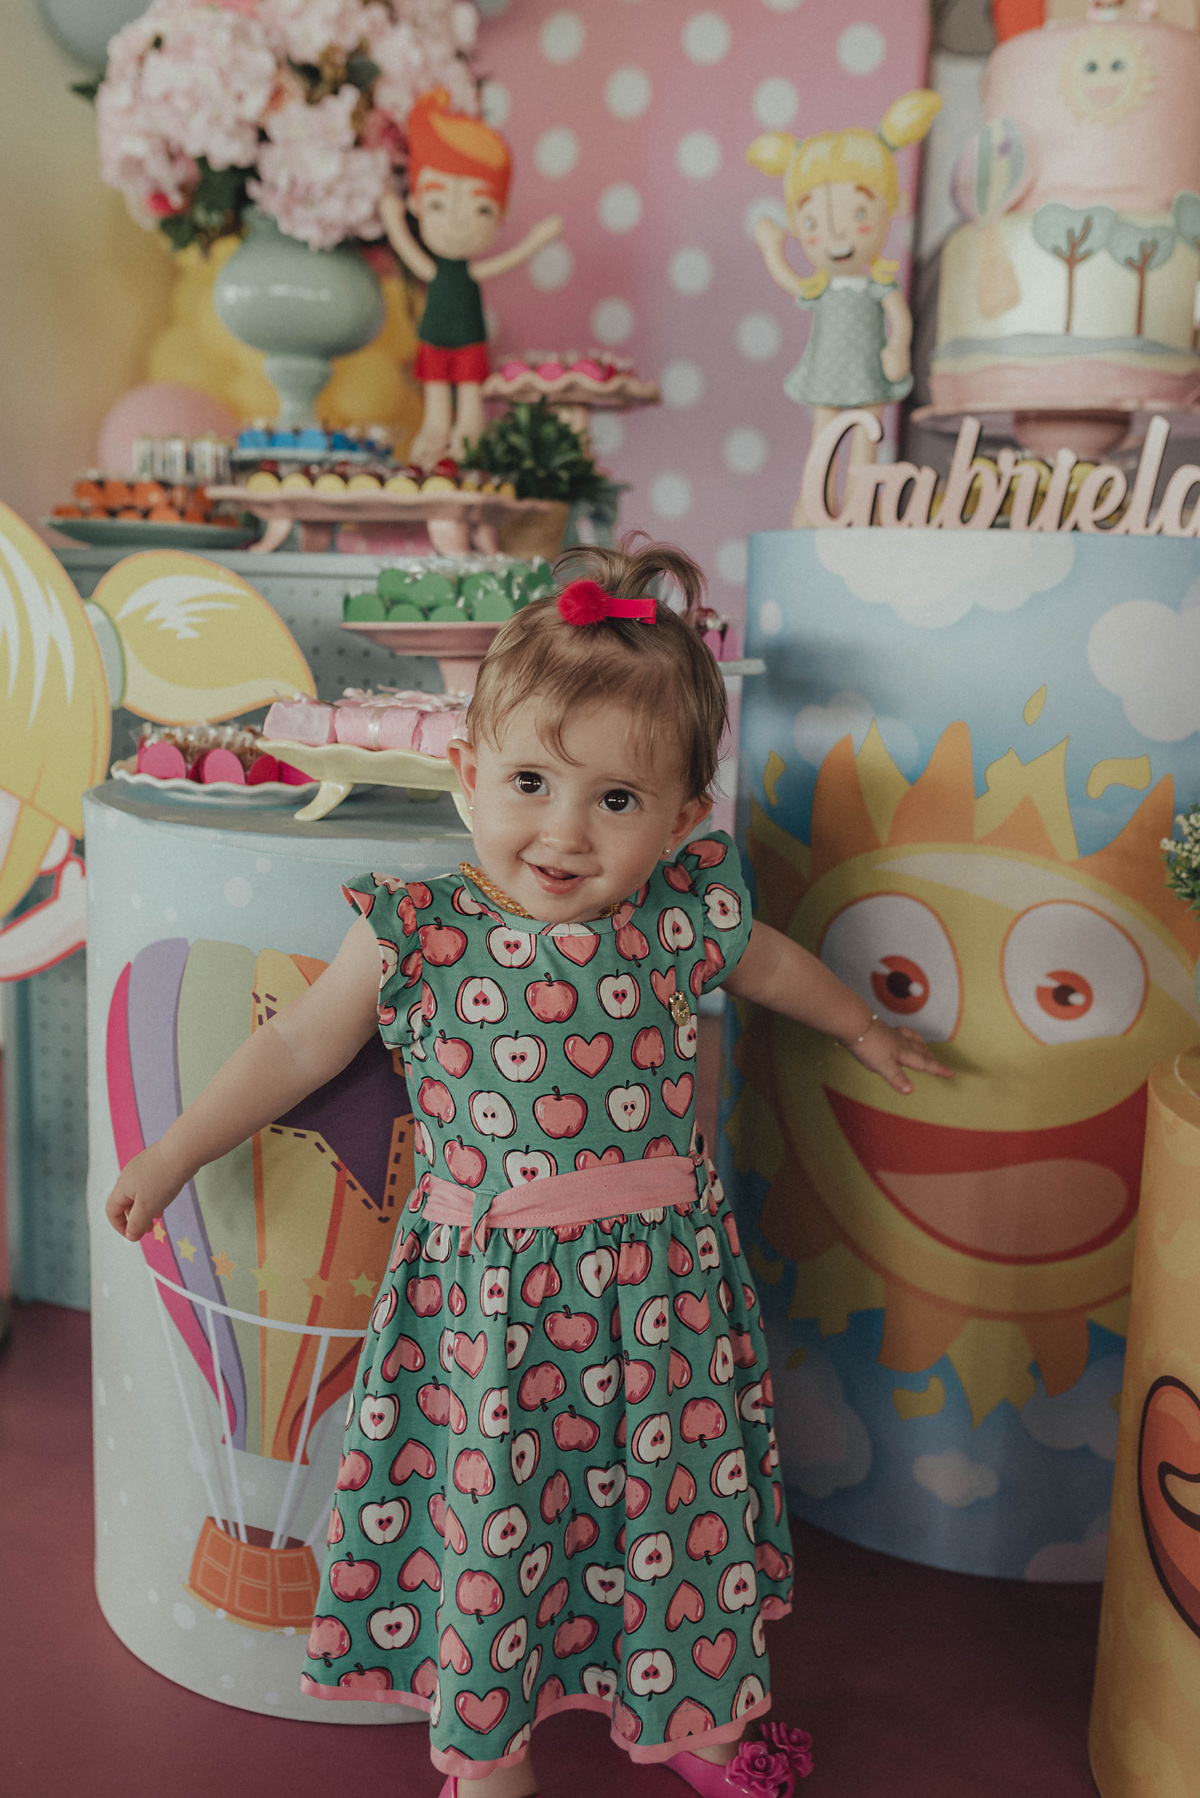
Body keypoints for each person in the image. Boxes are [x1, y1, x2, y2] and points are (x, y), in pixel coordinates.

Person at [105, 539, 950, 1798]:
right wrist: (176, 1148)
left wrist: (864, 1026)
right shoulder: (422, 931)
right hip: (491, 1305)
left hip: (661, 1296)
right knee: (499, 1518)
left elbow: (773, 965)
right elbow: (292, 1043)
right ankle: (490, 1750)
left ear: (682, 819)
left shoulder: (680, 915)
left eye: (616, 800)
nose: (562, 831)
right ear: (468, 777)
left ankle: (696, 1715)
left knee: (674, 1507)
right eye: (531, 781)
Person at [746, 91, 941, 526]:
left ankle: (858, 502)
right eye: (813, 223)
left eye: (858, 214)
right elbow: (794, 282)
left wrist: (898, 345)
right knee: (824, 433)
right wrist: (771, 247)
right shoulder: (824, 286)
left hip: (868, 370)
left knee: (867, 433)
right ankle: (815, 502)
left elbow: (899, 317)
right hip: (828, 368)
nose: (837, 237)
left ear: (890, 206)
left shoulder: (878, 283)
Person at [380, 88, 562, 467]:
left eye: (480, 208)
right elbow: (409, 251)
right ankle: (435, 435)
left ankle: (468, 436)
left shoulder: (465, 272)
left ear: (502, 213)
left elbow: (503, 262)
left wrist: (535, 242)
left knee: (469, 396)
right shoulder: (435, 270)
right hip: (434, 335)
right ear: (416, 204)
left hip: (469, 338)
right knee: (434, 398)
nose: (458, 222)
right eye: (437, 203)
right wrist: (393, 221)